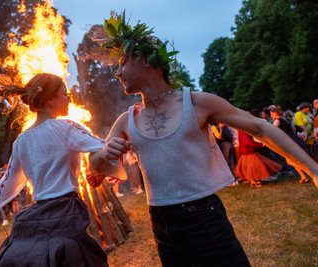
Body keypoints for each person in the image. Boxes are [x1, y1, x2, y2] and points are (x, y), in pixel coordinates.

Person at [87, 12, 318, 267]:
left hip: (203, 219)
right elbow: (95, 172)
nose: (118, 73)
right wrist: (102, 153)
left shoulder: (197, 103)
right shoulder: (126, 120)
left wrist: (313, 169)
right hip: (161, 225)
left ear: (145, 59)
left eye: (122, 62)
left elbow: (260, 128)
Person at [0, 73, 110, 267]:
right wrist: (102, 171)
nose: (69, 99)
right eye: (65, 94)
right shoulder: (66, 127)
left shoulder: (21, 140)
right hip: (66, 211)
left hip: (38, 214)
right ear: (50, 99)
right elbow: (103, 147)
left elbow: (7, 184)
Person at [269, 105, 311, 183]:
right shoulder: (286, 119)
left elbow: (272, 131)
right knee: (291, 160)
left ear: (275, 113)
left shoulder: (277, 121)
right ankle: (303, 176)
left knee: (292, 161)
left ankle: (309, 174)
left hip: (286, 141)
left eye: (271, 113)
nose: (271, 115)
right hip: (292, 139)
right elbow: (292, 130)